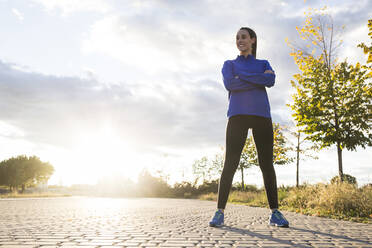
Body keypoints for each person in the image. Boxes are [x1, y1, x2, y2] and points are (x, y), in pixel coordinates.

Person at [209, 27, 289, 228]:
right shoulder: (229, 64)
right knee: (230, 163)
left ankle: (275, 213)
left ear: (253, 40)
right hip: (237, 116)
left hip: (262, 115)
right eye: (237, 37)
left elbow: (270, 80)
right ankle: (219, 212)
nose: (239, 40)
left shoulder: (263, 63)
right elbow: (230, 84)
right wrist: (256, 79)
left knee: (266, 164)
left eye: (243, 37)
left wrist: (242, 77)